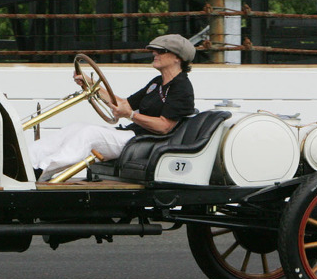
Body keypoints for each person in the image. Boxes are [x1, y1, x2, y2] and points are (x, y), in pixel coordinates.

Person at [29, 34, 196, 180]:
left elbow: (165, 126)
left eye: (161, 51)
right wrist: (91, 84)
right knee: (76, 127)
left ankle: (41, 170)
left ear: (178, 58)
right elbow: (123, 104)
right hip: (132, 135)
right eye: (155, 50)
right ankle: (27, 160)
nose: (154, 54)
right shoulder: (157, 83)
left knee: (90, 134)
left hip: (148, 142)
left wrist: (131, 115)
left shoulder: (181, 87)